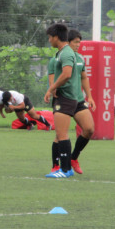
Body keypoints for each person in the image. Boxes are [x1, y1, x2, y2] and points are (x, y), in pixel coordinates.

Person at [47, 29, 95, 174]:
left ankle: (72, 159)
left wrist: (90, 97)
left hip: (77, 100)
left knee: (89, 129)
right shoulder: (57, 59)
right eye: (75, 42)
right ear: (67, 41)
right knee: (60, 134)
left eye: (80, 42)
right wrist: (52, 90)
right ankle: (57, 166)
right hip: (65, 99)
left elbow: (84, 78)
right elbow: (53, 80)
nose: (78, 45)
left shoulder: (79, 58)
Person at [43, 23, 79, 178]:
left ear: (56, 37)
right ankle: (63, 169)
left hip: (66, 98)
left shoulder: (66, 53)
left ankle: (65, 170)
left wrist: (52, 88)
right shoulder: (61, 53)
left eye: (50, 37)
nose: (49, 40)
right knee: (60, 134)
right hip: (63, 97)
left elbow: (66, 74)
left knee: (62, 134)